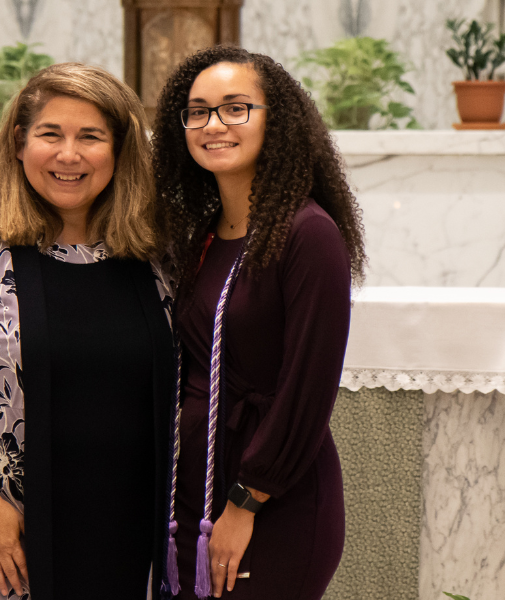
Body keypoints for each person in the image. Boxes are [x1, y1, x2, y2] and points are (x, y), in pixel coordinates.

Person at [0, 62, 175, 600]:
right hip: (1, 535)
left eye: (91, 137)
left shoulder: (154, 247)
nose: (69, 155)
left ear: (119, 149)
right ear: (19, 142)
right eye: (51, 134)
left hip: (128, 532)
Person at [152, 46, 366, 600]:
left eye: (235, 108)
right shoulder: (199, 236)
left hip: (273, 496)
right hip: (193, 494)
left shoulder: (308, 234)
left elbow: (307, 388)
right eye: (197, 111)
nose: (213, 124)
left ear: (278, 120)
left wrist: (247, 502)